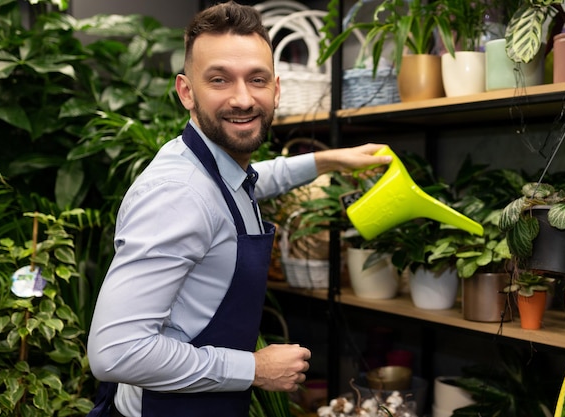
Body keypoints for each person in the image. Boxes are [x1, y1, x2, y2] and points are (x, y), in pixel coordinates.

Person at [86, 2, 392, 416]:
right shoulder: (178, 194)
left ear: (276, 89)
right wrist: (253, 368)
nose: (243, 98)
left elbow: (260, 177)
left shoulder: (218, 170)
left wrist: (330, 159)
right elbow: (115, 353)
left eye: (257, 79)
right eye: (219, 80)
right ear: (186, 92)